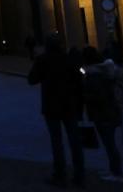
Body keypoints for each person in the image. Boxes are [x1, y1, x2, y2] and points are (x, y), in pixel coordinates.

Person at [27, 34, 84, 189]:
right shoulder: (69, 59)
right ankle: (80, 175)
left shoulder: (43, 60)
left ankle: (60, 175)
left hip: (51, 106)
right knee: (74, 141)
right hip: (69, 105)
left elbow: (31, 80)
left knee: (56, 142)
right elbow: (80, 77)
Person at [82, 47, 123, 183]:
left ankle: (116, 173)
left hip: (103, 113)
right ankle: (113, 170)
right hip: (111, 112)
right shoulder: (105, 71)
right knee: (110, 143)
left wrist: (83, 96)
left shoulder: (95, 75)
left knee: (110, 144)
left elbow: (98, 96)